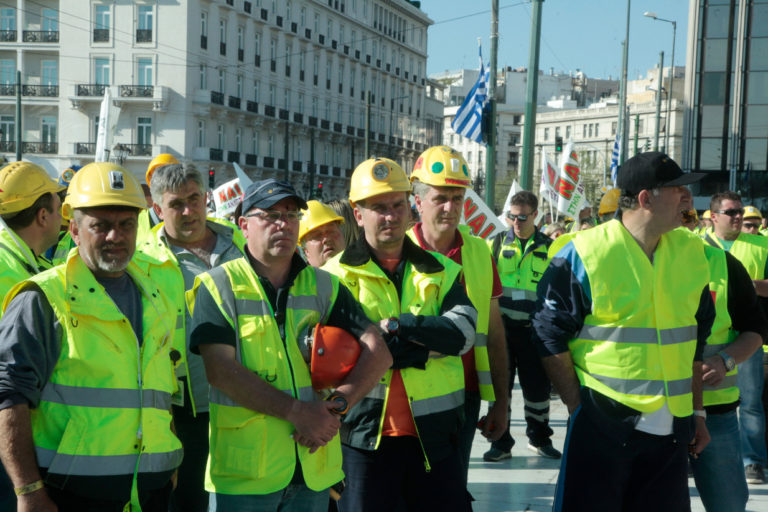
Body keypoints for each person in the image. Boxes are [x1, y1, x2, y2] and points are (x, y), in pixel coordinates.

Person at [187, 179, 391, 511]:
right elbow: (221, 371)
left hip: (312, 467)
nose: (283, 224)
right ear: (244, 225)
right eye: (270, 215)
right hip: (247, 473)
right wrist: (298, 413)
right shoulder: (217, 286)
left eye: (292, 215)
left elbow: (378, 349)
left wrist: (338, 406)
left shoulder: (325, 285)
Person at [534, 152, 714, 511]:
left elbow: (695, 342)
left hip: (671, 434)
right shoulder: (583, 253)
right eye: (677, 189)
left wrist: (697, 414)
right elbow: (547, 335)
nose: (687, 198)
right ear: (646, 198)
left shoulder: (692, 251)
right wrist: (578, 410)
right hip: (603, 426)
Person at [0, 161, 183, 511]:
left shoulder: (154, 295)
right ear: (74, 229)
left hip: (150, 493)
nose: (116, 236)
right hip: (70, 496)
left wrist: (168, 460)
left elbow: (159, 386)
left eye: (127, 225)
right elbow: (8, 396)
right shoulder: (44, 297)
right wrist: (28, 491)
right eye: (101, 226)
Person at [323, 157, 478, 512]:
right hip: (362, 441)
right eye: (378, 207)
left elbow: (463, 334)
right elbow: (335, 352)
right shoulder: (331, 277)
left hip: (435, 439)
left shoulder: (444, 270)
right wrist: (426, 345)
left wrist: (396, 328)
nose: (391, 216)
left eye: (397, 205)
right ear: (358, 214)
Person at [137, 162, 246, 512]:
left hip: (248, 400)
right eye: (176, 204)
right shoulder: (143, 259)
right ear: (157, 210)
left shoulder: (239, 242)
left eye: (194, 199)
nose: (188, 211)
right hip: (181, 411)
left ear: (207, 198)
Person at [407, 145, 509, 485]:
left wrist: (501, 403)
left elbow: (494, 335)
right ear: (418, 201)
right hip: (408, 398)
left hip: (465, 400)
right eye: (440, 198)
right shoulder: (397, 252)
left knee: (450, 492)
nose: (450, 208)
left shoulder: (479, 251)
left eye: (457, 198)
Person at [679, 191, 767, 512]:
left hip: (717, 413)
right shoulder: (638, 267)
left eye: (686, 217)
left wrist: (725, 359)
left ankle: (754, 459)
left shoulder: (723, 264)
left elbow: (756, 329)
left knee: (728, 504)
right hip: (652, 414)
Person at [485, 191, 562, 461]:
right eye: (512, 216)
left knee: (537, 389)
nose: (516, 222)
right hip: (502, 331)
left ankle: (540, 439)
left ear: (535, 215)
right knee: (500, 388)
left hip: (534, 330)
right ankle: (500, 443)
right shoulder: (495, 244)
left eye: (522, 217)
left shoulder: (549, 247)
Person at [703, 191, 768, 484]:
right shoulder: (696, 245)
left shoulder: (761, 245)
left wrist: (748, 285)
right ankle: (697, 452)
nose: (739, 217)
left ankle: (752, 460)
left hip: (747, 338)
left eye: (740, 211)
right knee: (702, 401)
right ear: (714, 216)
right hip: (708, 341)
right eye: (731, 212)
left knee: (751, 402)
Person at [0, 162, 64, 309]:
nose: (61, 218)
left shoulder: (19, 260)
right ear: (43, 216)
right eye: (58, 209)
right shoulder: (8, 272)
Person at [299, 200, 346, 267]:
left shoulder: (361, 273)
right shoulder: (301, 277)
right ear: (306, 252)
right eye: (317, 235)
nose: (327, 239)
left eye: (331, 231)